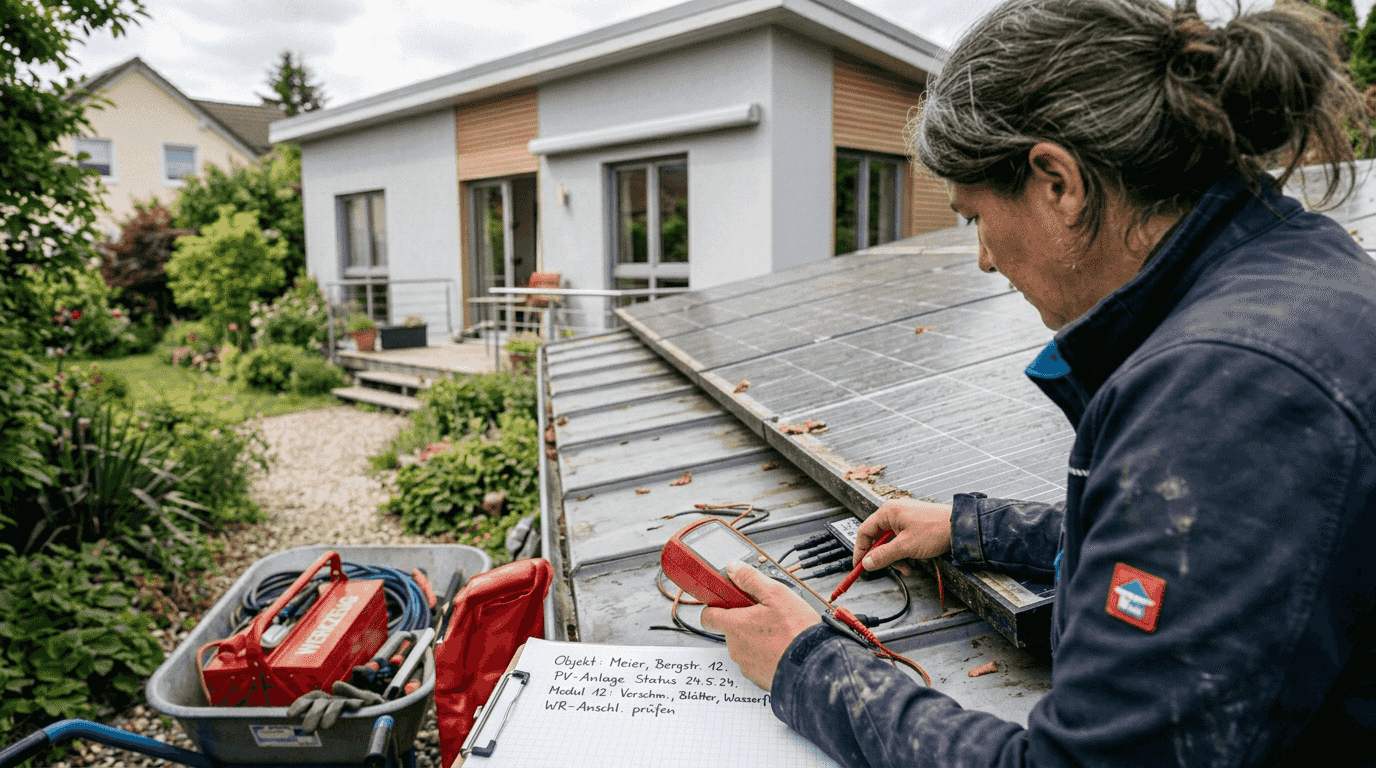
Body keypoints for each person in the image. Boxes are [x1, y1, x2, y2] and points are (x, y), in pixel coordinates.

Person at [698, 0, 1376, 765]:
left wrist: (811, 667)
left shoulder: (1227, 388)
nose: (985, 258)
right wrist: (977, 529)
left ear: (1058, 182)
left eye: (975, 216)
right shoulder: (1294, 279)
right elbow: (1212, 546)